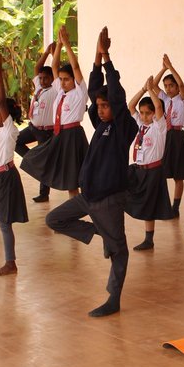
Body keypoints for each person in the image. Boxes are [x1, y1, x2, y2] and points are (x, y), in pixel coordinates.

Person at [45, 27, 139, 317]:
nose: (99, 109)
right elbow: (97, 85)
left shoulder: (124, 127)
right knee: (54, 218)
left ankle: (114, 298)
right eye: (97, 105)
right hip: (89, 196)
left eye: (104, 106)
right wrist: (96, 60)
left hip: (109, 199)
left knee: (119, 251)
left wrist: (107, 58)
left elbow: (118, 96)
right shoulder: (101, 125)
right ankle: (96, 230)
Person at [20, 26, 88, 197]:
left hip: (72, 135)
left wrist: (66, 44)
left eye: (67, 79)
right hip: (60, 135)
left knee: (74, 179)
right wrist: (58, 46)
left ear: (74, 80)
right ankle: (70, 203)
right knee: (36, 158)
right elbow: (55, 65)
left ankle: (78, 206)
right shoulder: (60, 90)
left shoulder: (79, 92)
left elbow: (76, 66)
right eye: (62, 79)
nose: (63, 82)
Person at [0, 55, 29, 276]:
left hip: (5, 177)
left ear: (7, 115)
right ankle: (10, 261)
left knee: (3, 222)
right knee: (2, 220)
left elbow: (0, 102)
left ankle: (11, 262)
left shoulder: (10, 128)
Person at [125, 79, 173, 251]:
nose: (144, 116)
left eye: (148, 113)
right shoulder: (140, 125)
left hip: (153, 171)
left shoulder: (159, 128)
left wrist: (152, 90)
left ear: (154, 115)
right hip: (137, 169)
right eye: (142, 113)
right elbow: (131, 106)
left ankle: (149, 239)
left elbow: (159, 108)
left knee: (149, 206)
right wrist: (143, 88)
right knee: (120, 190)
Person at [16, 44, 57, 203]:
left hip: (46, 131)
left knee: (45, 162)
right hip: (33, 127)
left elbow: (54, 69)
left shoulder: (55, 90)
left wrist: (56, 54)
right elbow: (37, 67)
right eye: (40, 78)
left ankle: (43, 193)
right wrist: (46, 52)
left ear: (52, 78)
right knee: (16, 142)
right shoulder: (39, 88)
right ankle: (34, 161)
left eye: (46, 78)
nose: (42, 80)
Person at [158, 54, 184, 217]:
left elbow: (181, 83)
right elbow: (152, 85)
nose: (168, 88)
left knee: (178, 175)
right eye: (166, 86)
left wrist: (171, 67)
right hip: (166, 136)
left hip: (178, 137)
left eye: (171, 85)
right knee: (162, 172)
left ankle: (175, 207)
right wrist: (163, 69)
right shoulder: (165, 99)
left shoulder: (182, 100)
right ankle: (163, 204)